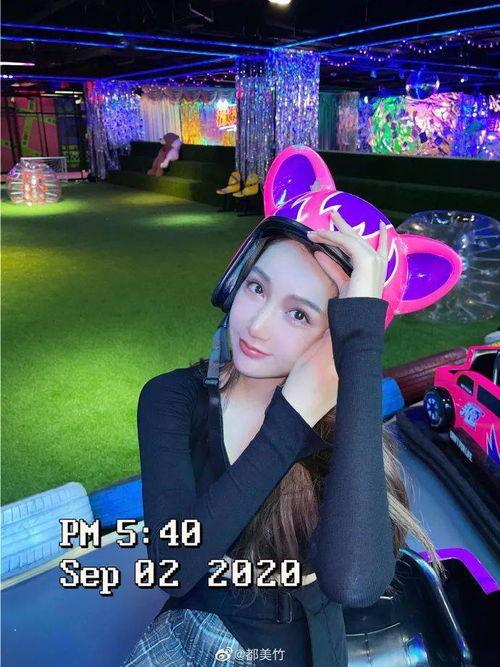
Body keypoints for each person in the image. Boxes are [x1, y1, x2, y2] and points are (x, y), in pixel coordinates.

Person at [122, 146, 460, 666]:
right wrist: (291, 417)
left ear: (337, 339)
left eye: (299, 314)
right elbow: (174, 565)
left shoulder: (344, 427)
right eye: (256, 287)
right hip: (201, 636)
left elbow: (356, 581)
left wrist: (357, 355)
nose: (256, 326)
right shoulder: (172, 398)